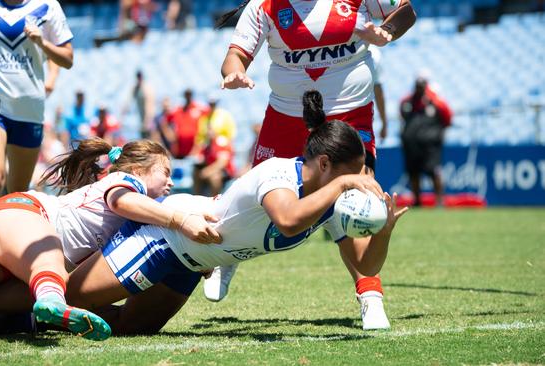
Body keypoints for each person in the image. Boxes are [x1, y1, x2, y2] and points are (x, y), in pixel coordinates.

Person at [0, 91, 407, 337]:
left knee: (132, 330)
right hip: (167, 236)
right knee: (62, 294)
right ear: (325, 164)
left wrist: (381, 227)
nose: (362, 180)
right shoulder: (280, 174)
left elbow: (366, 265)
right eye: (356, 170)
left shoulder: (327, 198)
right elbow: (285, 220)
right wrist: (348, 182)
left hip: (193, 260)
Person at [211, 0, 416, 329]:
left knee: (357, 204)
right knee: (257, 200)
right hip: (286, 116)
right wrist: (234, 72)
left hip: (350, 114)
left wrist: (387, 32)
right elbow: (235, 56)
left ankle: (370, 298)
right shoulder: (264, 6)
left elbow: (406, 10)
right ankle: (226, 257)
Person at [0, 138, 222, 339]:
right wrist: (179, 220)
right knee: (53, 273)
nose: (171, 181)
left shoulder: (140, 211)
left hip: (11, 245)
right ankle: (50, 302)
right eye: (164, 172)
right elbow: (120, 202)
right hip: (25, 215)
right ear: (140, 168)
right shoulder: (126, 182)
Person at [0, 0, 74, 209]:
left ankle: (7, 239)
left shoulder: (48, 7)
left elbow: (68, 58)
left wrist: (42, 43)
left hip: (28, 109)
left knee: (18, 191)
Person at [400, 75, 452, 207]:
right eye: (417, 86)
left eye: (422, 86)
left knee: (434, 172)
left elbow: (448, 119)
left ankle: (439, 201)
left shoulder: (436, 103)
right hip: (411, 145)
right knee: (414, 173)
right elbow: (402, 117)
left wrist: (435, 135)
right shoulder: (407, 102)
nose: (419, 89)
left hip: (430, 146)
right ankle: (417, 200)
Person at [163, 89, 208, 159]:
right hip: (179, 148)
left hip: (194, 149)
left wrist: (202, 139)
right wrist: (169, 134)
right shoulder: (179, 110)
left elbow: (209, 117)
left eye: (189, 95)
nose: (188, 97)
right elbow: (165, 121)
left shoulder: (199, 109)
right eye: (186, 95)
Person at [121, 71, 155, 139]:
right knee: (142, 138)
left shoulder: (147, 88)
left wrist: (148, 119)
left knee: (149, 138)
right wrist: (122, 114)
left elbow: (150, 105)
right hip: (140, 119)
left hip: (148, 118)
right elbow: (128, 101)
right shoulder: (136, 88)